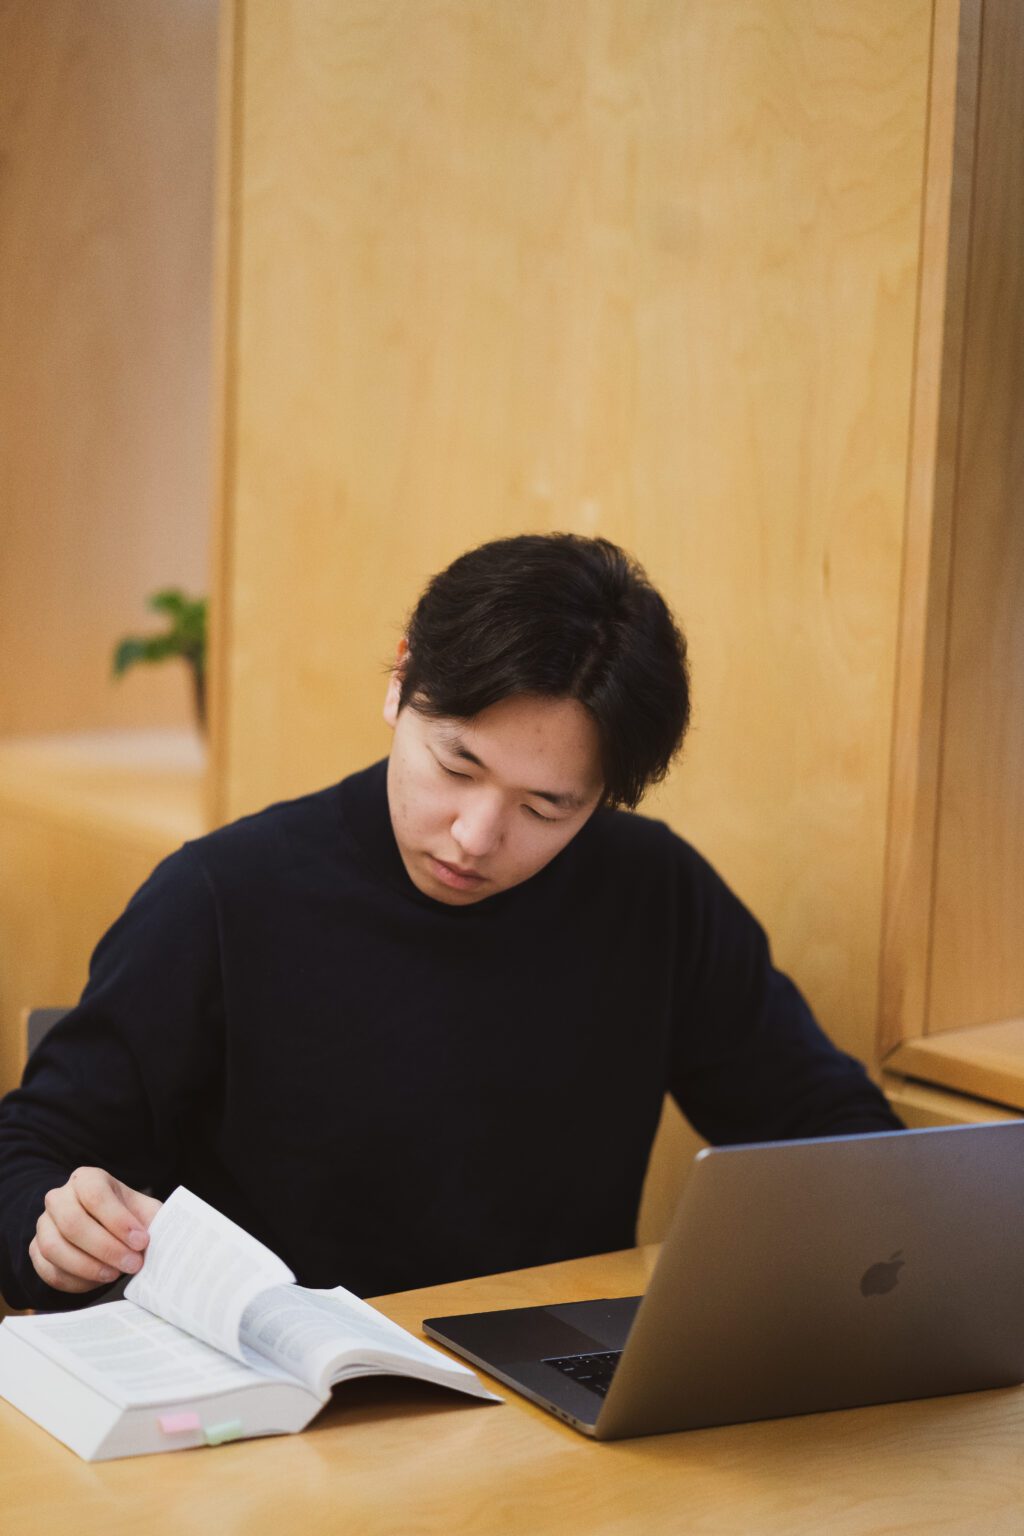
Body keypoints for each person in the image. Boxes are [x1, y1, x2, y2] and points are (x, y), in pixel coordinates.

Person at [0, 533, 901, 1311]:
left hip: (543, 1404)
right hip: (281, 1411)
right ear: (402, 682)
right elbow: (26, 1152)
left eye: (547, 808)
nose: (475, 837)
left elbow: (828, 1133)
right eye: (456, 766)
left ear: (603, 802)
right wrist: (58, 1226)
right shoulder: (220, 898)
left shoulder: (653, 893)